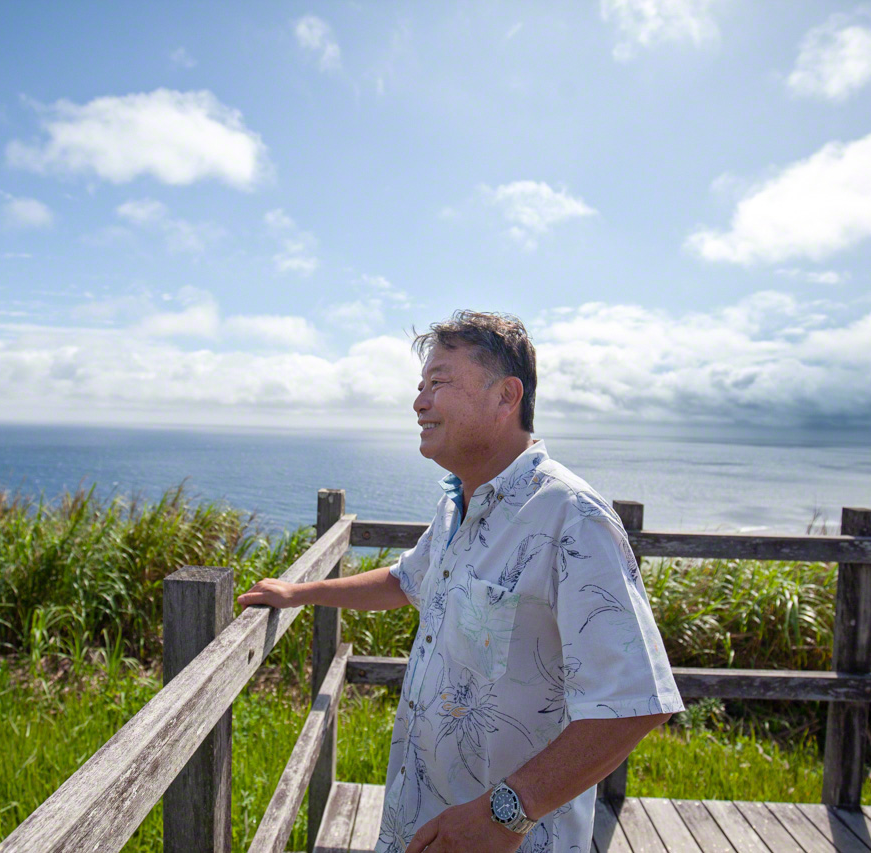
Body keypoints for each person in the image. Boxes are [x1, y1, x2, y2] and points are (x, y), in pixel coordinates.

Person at [237, 311, 683, 853]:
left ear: (506, 396)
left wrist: (505, 815)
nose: (420, 402)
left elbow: (633, 702)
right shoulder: (459, 503)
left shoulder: (572, 518)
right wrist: (300, 593)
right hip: (420, 821)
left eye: (440, 383)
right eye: (420, 386)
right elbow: (406, 582)